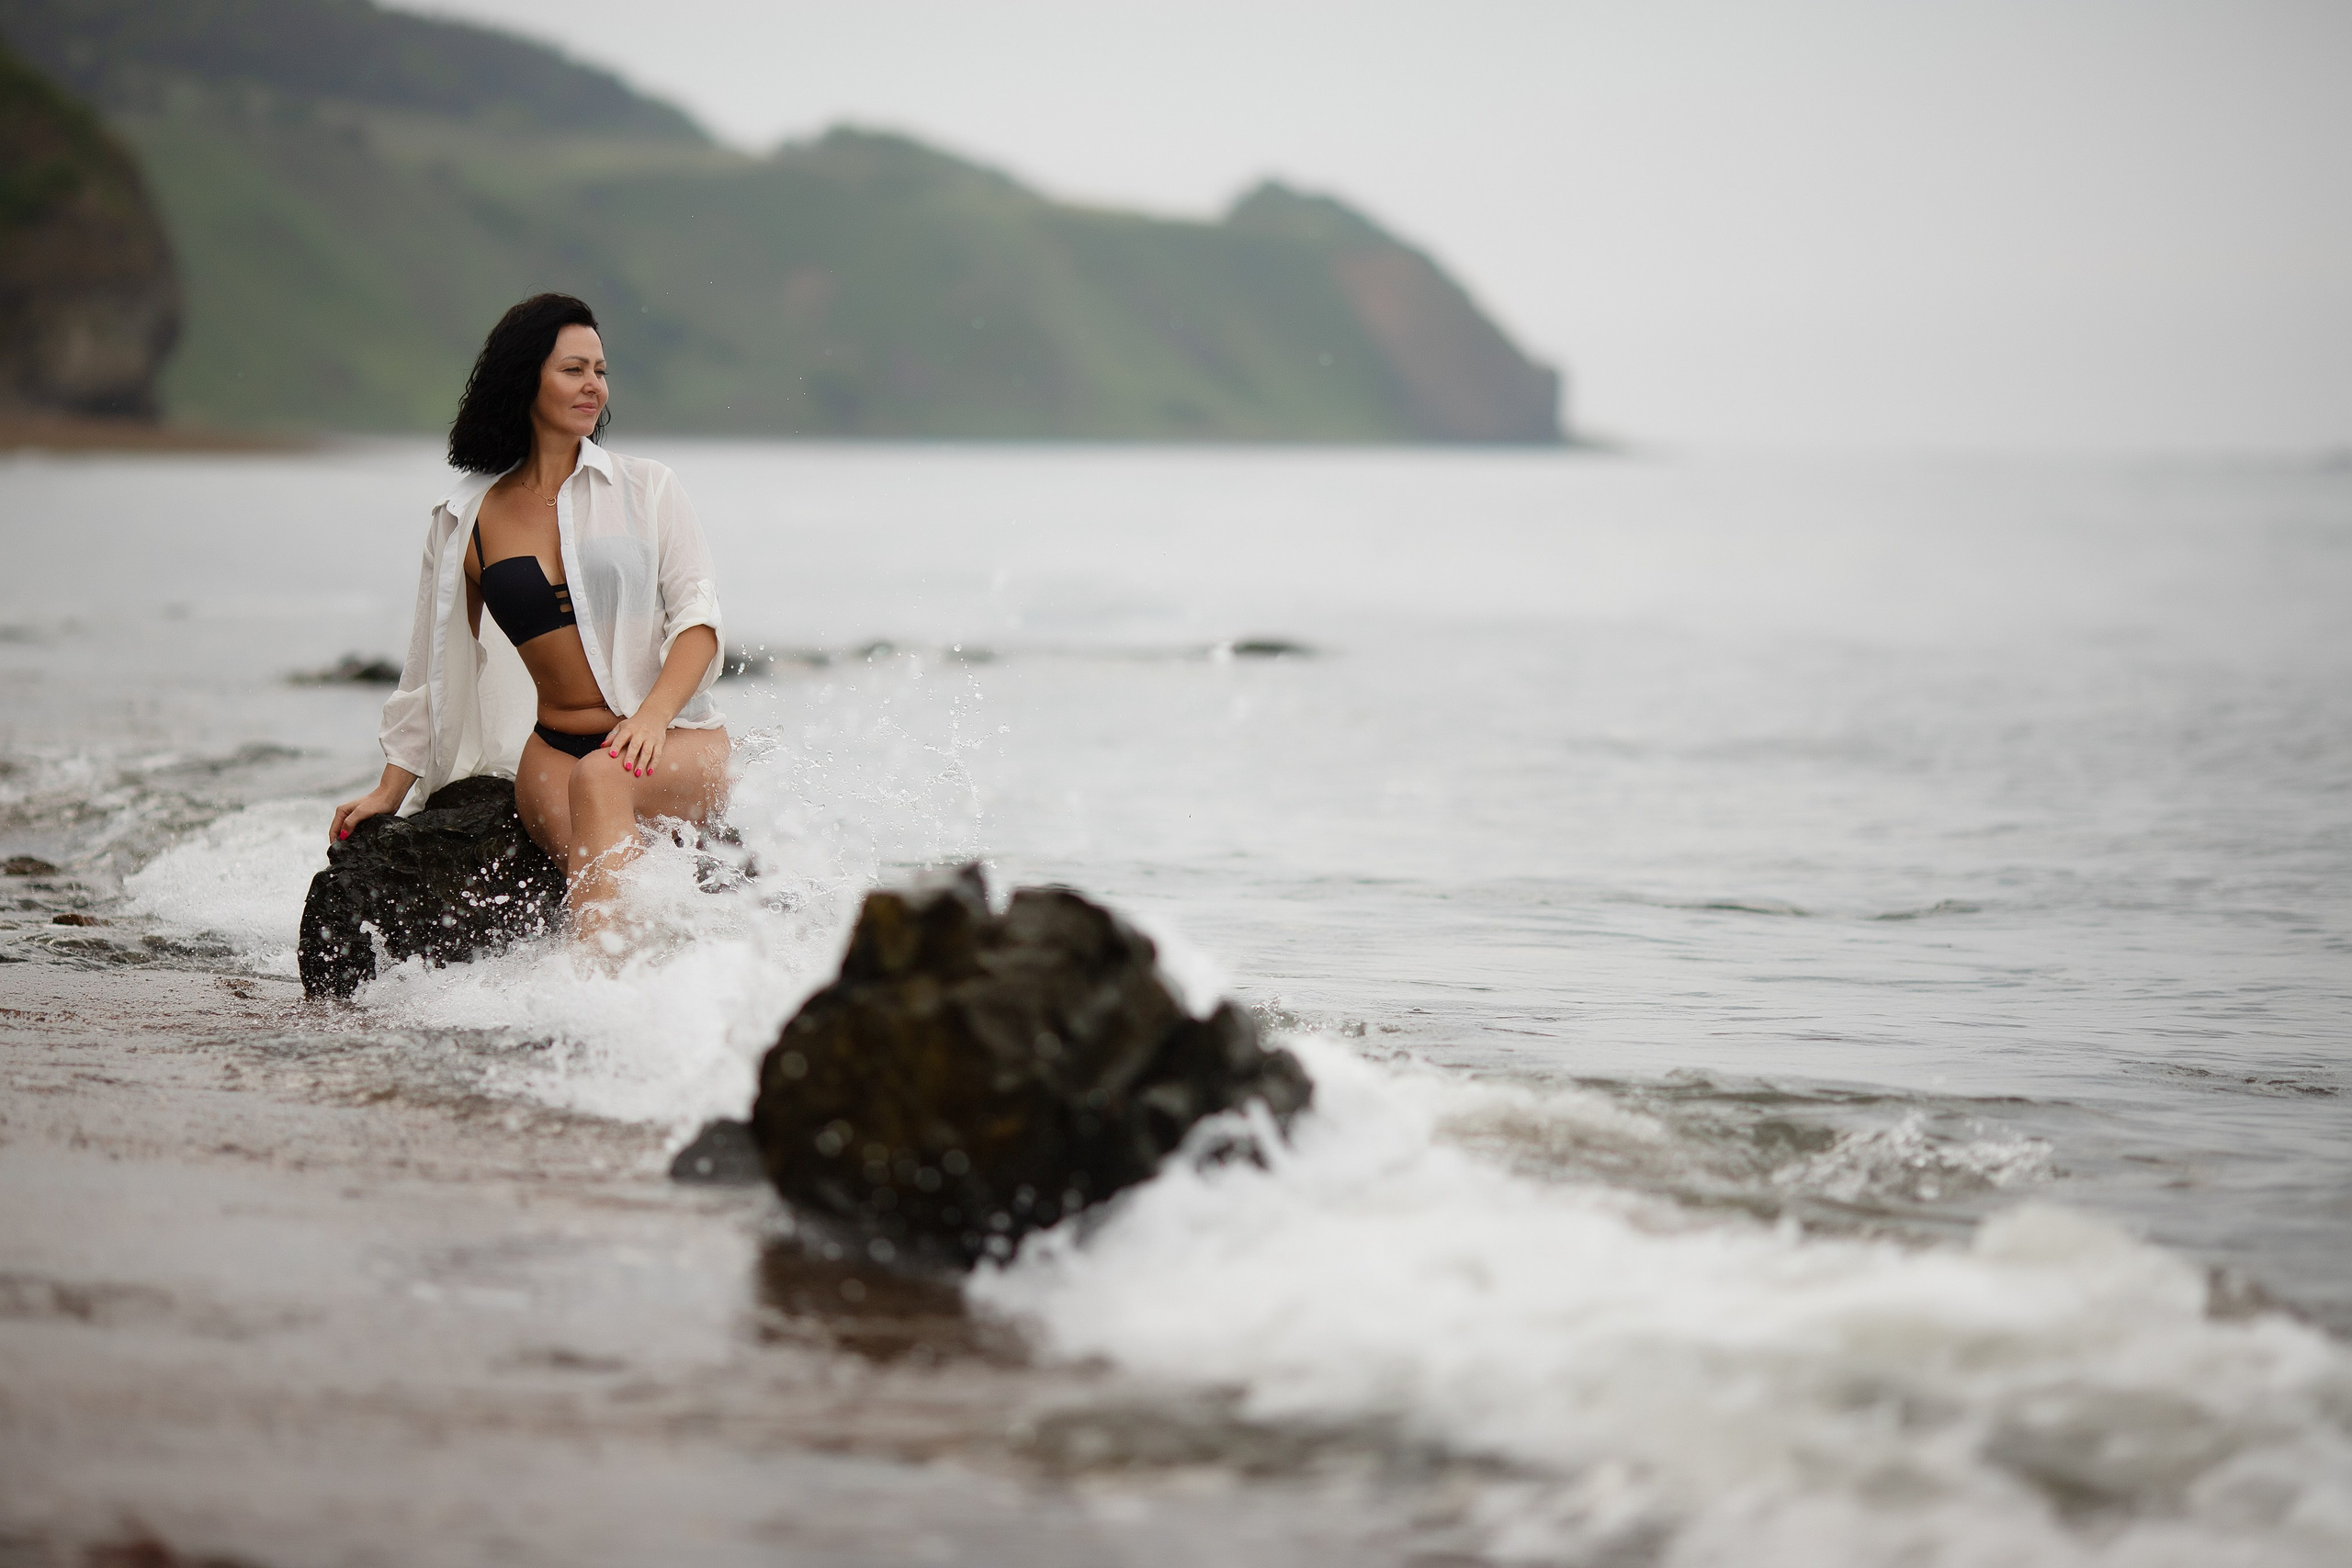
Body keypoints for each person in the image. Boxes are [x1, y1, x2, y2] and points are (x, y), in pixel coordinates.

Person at [329, 293, 729, 947]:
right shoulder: (465, 520)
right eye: (574, 369)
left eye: (600, 370)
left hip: (677, 739)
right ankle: (609, 1003)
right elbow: (430, 665)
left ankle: (605, 1007)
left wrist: (651, 717)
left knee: (604, 779)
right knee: (605, 885)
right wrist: (388, 788)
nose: (593, 385)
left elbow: (699, 619)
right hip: (552, 752)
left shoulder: (648, 487)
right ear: (526, 377)